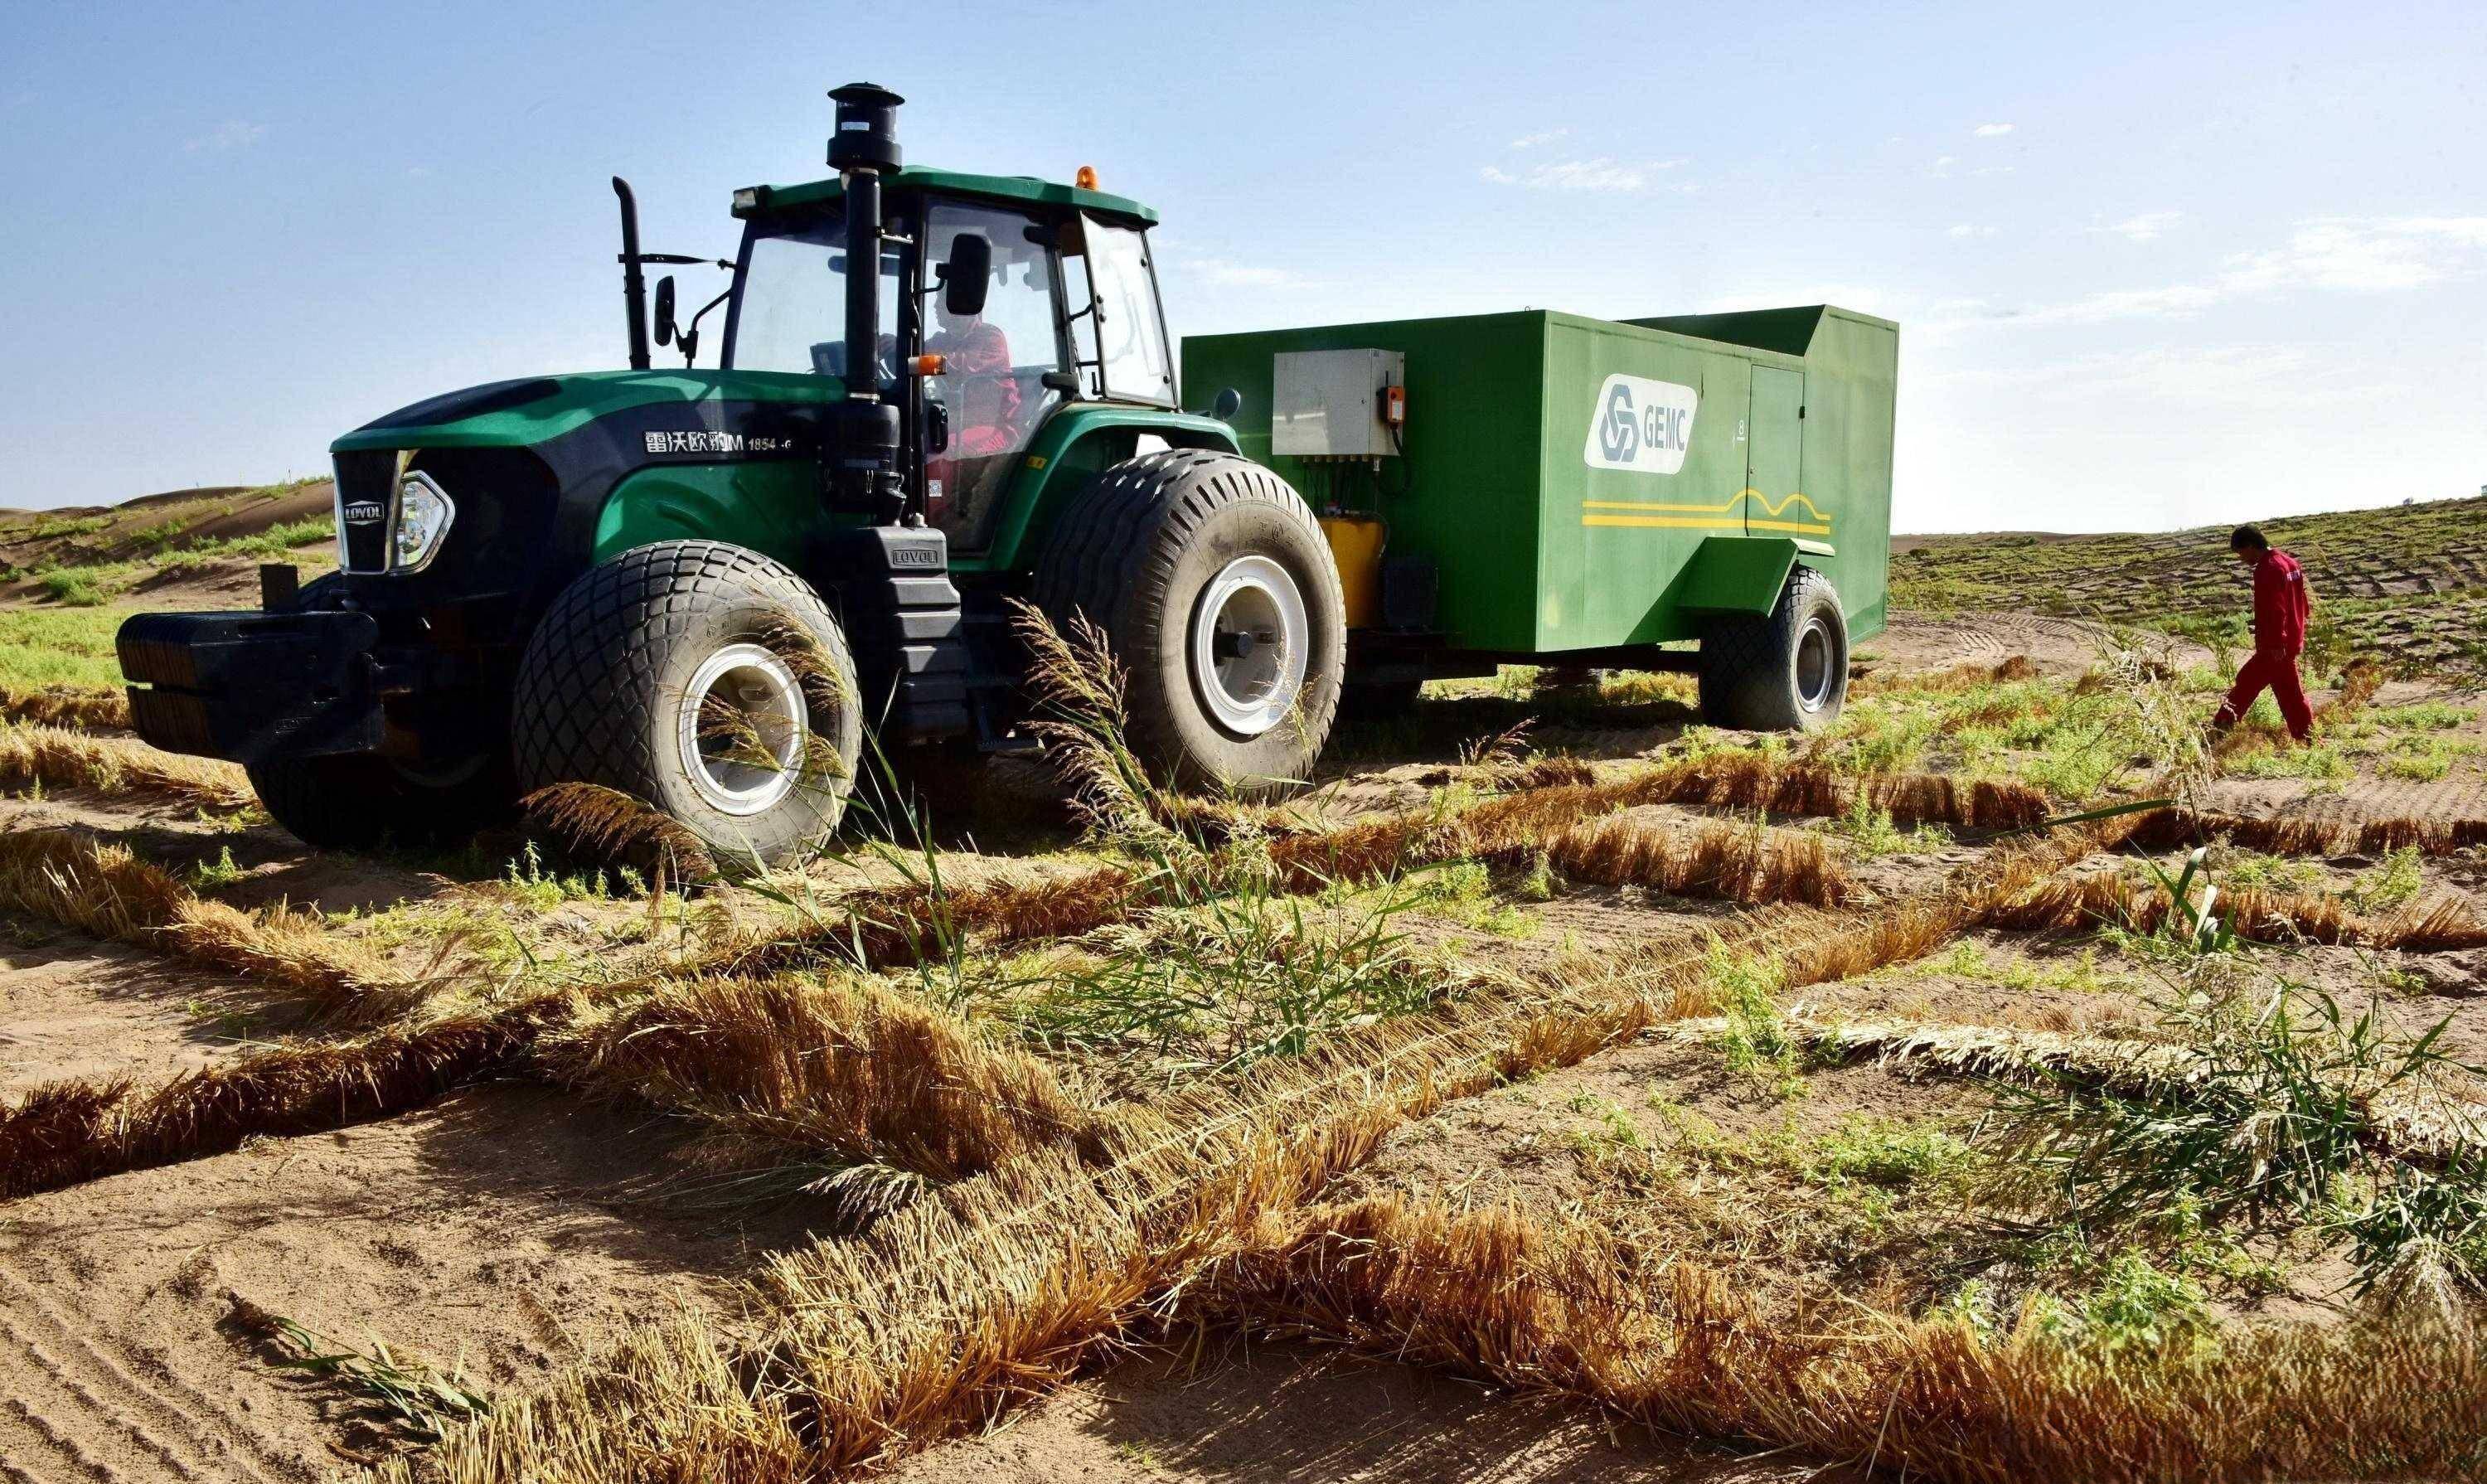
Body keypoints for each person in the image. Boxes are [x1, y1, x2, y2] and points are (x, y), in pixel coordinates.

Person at [923, 260, 1020, 529]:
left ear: (961, 304)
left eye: (940, 302)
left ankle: (933, 524)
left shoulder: (991, 338)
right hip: (953, 422)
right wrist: (891, 346)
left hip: (996, 428)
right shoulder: (941, 340)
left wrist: (919, 361)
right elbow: (918, 354)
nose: (934, 308)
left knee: (939, 451)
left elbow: (959, 365)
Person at [2212, 524, 2313, 743]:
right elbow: (2303, 602)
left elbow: (2276, 609)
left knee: (2248, 683)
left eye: (2241, 553)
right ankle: (2307, 738)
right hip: (2290, 640)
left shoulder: (2268, 568)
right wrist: (2297, 632)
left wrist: (2277, 644)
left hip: (2275, 645)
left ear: (2250, 546)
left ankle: (2221, 727)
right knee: (2288, 693)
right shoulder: (2291, 563)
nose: (2241, 558)